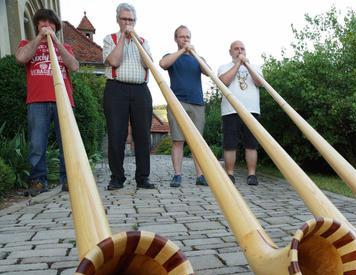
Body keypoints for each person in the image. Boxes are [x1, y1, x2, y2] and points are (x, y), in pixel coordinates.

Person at [15, 8, 79, 196]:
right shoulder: (27, 43)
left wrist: (56, 41)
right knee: (37, 144)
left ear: (56, 27)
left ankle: (69, 179)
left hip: (64, 101)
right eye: (43, 22)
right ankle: (38, 181)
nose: (47, 26)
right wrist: (40, 39)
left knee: (67, 142)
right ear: (37, 25)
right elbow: (20, 57)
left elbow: (74, 66)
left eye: (51, 23)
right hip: (37, 101)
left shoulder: (64, 48)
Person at [102, 3, 154, 190]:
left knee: (143, 135)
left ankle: (143, 177)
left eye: (131, 20)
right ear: (118, 20)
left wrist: (136, 41)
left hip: (140, 89)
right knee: (117, 133)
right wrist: (124, 38)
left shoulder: (143, 41)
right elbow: (114, 61)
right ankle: (117, 177)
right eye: (124, 19)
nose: (128, 23)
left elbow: (148, 64)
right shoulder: (110, 39)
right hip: (116, 89)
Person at [159, 25, 208, 187]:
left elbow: (208, 72)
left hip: (197, 103)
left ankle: (200, 176)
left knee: (197, 142)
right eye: (182, 37)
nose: (186, 39)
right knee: (178, 140)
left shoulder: (197, 57)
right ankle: (177, 175)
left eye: (188, 37)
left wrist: (194, 54)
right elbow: (163, 64)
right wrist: (182, 51)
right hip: (177, 103)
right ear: (176, 39)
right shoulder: (172, 56)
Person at [218, 40, 263, 185]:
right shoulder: (223, 67)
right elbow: (224, 81)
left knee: (251, 144)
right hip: (230, 111)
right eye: (236, 49)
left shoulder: (255, 67)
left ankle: (252, 175)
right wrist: (237, 64)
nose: (239, 51)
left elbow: (259, 82)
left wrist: (247, 66)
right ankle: (230, 173)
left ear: (246, 51)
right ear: (230, 52)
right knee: (230, 144)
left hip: (251, 110)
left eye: (242, 48)